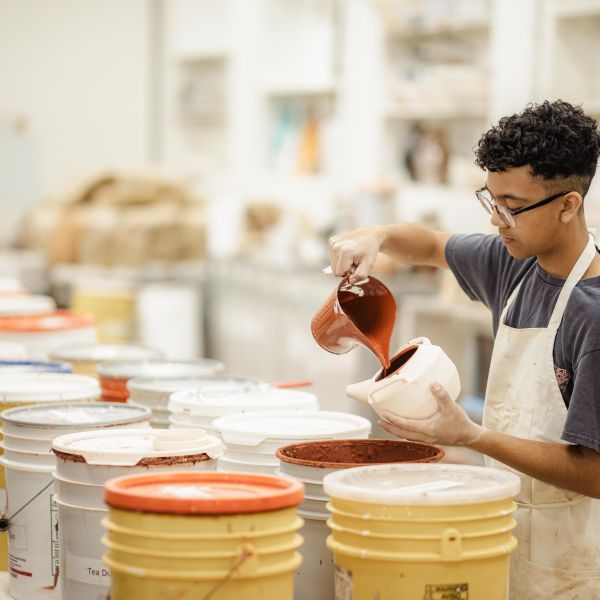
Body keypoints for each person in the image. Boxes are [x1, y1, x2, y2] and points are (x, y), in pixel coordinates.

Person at [329, 100, 600, 599]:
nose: (498, 221)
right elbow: (431, 245)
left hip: (577, 566)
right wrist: (377, 234)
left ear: (569, 205)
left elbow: (595, 473)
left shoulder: (593, 314)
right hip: (505, 535)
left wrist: (473, 437)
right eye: (490, 201)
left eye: (513, 207)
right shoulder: (515, 262)